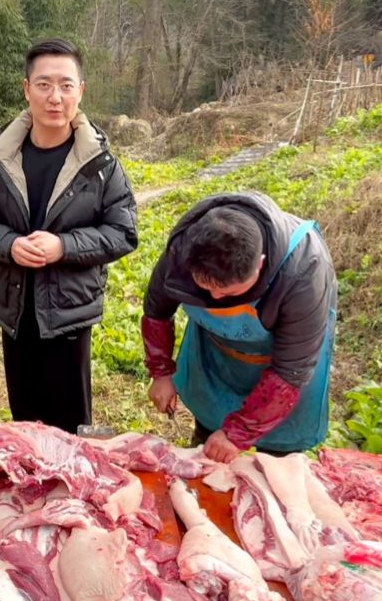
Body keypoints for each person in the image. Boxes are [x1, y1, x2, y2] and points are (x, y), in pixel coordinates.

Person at [0, 38, 138, 433]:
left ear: (81, 91)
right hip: (16, 310)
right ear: (26, 89)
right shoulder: (0, 158)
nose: (54, 97)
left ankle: (73, 494)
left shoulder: (101, 165)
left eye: (65, 85)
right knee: (24, 422)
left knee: (71, 429)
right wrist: (9, 244)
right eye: (43, 85)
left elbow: (123, 232)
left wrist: (64, 246)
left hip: (69, 316)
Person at [141, 193, 336, 463]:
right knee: (208, 456)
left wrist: (238, 435)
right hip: (219, 358)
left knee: (276, 468)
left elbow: (290, 371)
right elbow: (157, 312)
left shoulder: (303, 272)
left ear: (260, 264)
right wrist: (160, 372)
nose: (216, 299)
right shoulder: (183, 251)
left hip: (284, 371)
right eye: (206, 288)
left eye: (228, 290)